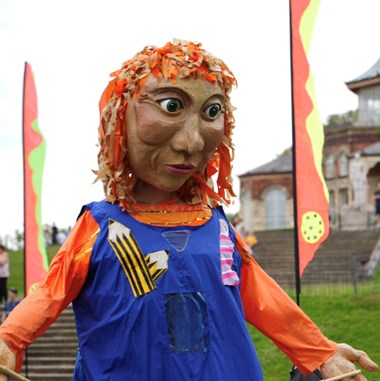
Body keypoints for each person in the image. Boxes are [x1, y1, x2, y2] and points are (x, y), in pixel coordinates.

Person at [0, 40, 377, 381]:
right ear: (120, 120)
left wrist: (320, 353)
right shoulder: (99, 225)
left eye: (212, 111)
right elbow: (50, 292)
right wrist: (9, 340)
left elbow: (262, 296)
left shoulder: (216, 226)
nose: (192, 141)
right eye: (171, 106)